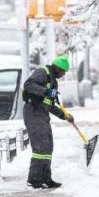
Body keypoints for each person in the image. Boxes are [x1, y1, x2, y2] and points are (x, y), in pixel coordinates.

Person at [22, 54, 74, 189]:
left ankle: (46, 178)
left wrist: (64, 115)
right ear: (57, 67)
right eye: (63, 71)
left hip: (43, 114)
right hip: (33, 112)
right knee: (40, 146)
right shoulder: (42, 72)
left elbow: (50, 105)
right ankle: (34, 179)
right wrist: (46, 91)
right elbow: (28, 85)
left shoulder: (53, 82)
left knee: (48, 145)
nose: (63, 74)